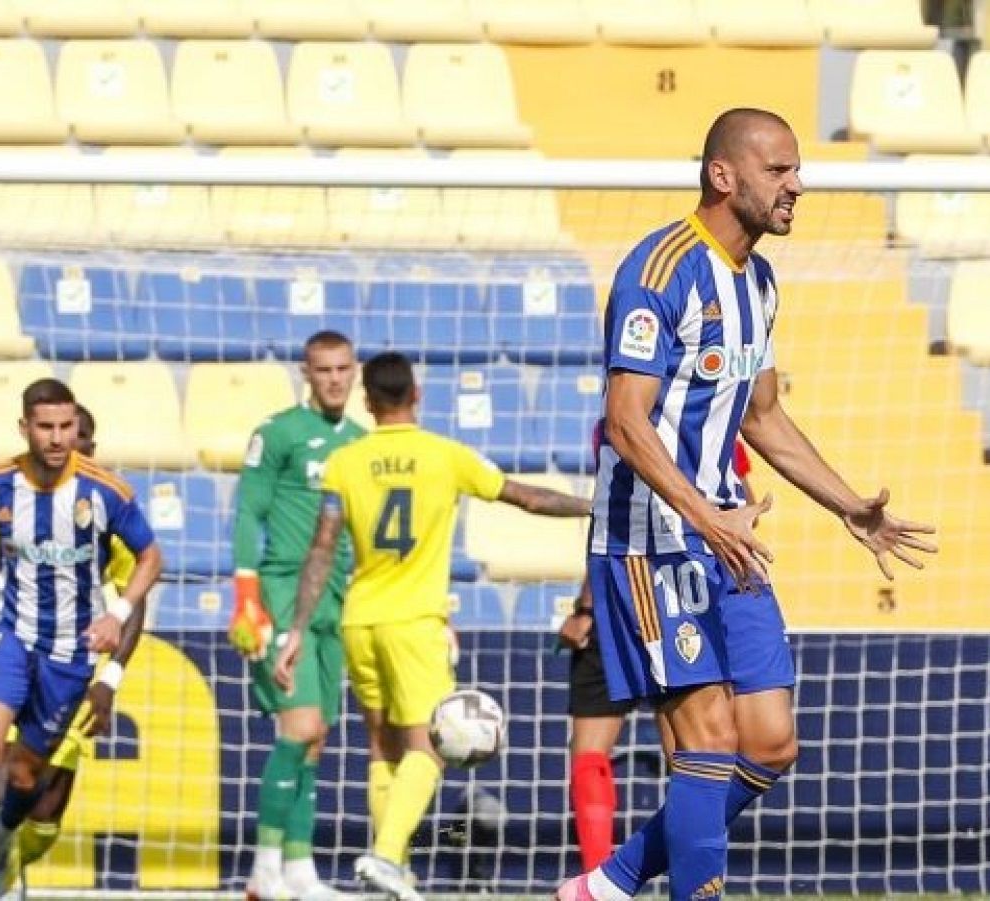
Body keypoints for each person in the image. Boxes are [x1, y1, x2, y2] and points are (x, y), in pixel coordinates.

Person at [557, 108, 937, 901]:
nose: (797, 185)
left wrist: (848, 506)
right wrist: (702, 514)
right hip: (651, 539)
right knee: (707, 742)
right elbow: (626, 422)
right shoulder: (659, 271)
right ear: (723, 175)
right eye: (779, 170)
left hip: (725, 531)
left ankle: (608, 884)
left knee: (769, 744)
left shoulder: (759, 282)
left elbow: (761, 415)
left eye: (798, 169)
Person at [273, 351, 592, 901]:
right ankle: (387, 856)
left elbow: (323, 548)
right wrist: (593, 506)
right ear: (416, 395)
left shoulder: (346, 462)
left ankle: (395, 873)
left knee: (383, 750)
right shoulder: (445, 456)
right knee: (432, 747)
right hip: (414, 622)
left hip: (359, 619)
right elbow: (527, 498)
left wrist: (298, 628)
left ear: (367, 401)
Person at [0, 378, 163, 901]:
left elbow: (152, 558)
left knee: (25, 779)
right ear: (26, 428)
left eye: (67, 427)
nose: (59, 438)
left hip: (70, 652)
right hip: (8, 633)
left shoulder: (105, 492)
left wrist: (119, 613)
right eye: (47, 427)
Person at [562, 425, 756, 873]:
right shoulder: (706, 414)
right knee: (690, 756)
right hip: (678, 594)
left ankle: (614, 874)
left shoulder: (619, 420)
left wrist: (587, 606)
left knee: (685, 755)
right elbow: (741, 500)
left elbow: (610, 514)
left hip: (638, 591)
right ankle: (628, 874)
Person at [226, 330, 366, 901]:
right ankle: (263, 869)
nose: (334, 379)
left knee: (316, 740)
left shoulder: (361, 444)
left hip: (337, 602)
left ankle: (300, 870)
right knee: (299, 726)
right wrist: (246, 597)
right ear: (305, 374)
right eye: (323, 370)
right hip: (284, 591)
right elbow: (248, 513)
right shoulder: (279, 433)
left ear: (354, 372)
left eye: (342, 369)